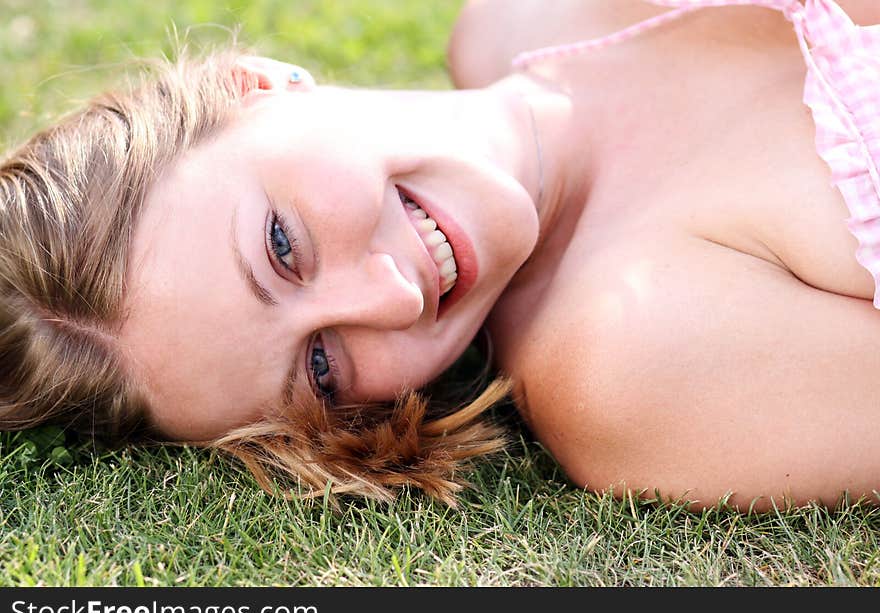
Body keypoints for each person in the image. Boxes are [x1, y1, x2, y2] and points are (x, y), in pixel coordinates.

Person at [2, 0, 878, 511]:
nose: (389, 296)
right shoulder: (628, 366)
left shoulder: (517, 16)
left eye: (282, 247)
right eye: (322, 365)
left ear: (256, 85)